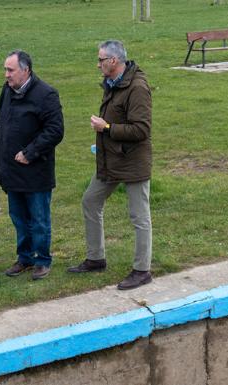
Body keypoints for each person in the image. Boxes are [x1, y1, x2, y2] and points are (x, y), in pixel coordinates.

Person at [67, 40, 153, 290]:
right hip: (111, 158)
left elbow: (142, 129)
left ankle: (142, 270)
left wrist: (106, 127)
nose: (98, 64)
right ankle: (96, 258)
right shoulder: (114, 83)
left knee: (139, 216)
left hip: (133, 160)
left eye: (101, 60)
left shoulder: (137, 87)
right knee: (91, 200)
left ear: (114, 61)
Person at [0, 50, 64, 281]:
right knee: (18, 218)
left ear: (26, 70)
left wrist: (30, 153)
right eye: (5, 69)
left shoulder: (46, 94)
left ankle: (42, 259)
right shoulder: (7, 91)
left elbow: (55, 131)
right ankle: (24, 257)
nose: (6, 75)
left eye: (10, 70)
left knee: (39, 219)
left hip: (35, 171)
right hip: (11, 170)